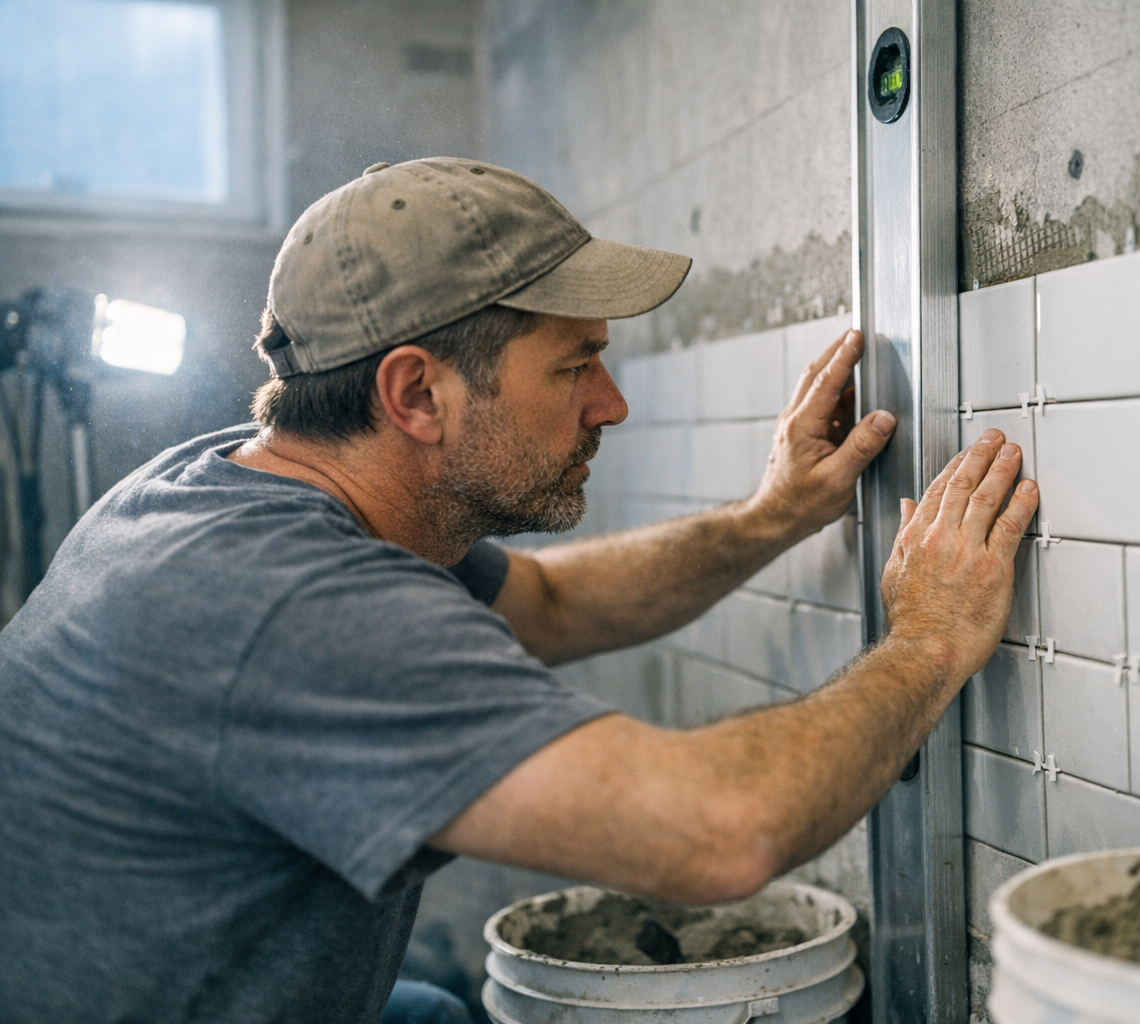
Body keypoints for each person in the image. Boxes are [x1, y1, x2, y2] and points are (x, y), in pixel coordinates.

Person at [0, 158, 1037, 1024]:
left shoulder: (229, 481)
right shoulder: (289, 607)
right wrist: (929, 641)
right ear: (416, 393)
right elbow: (724, 829)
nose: (613, 403)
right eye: (573, 365)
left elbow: (551, 606)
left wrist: (773, 515)